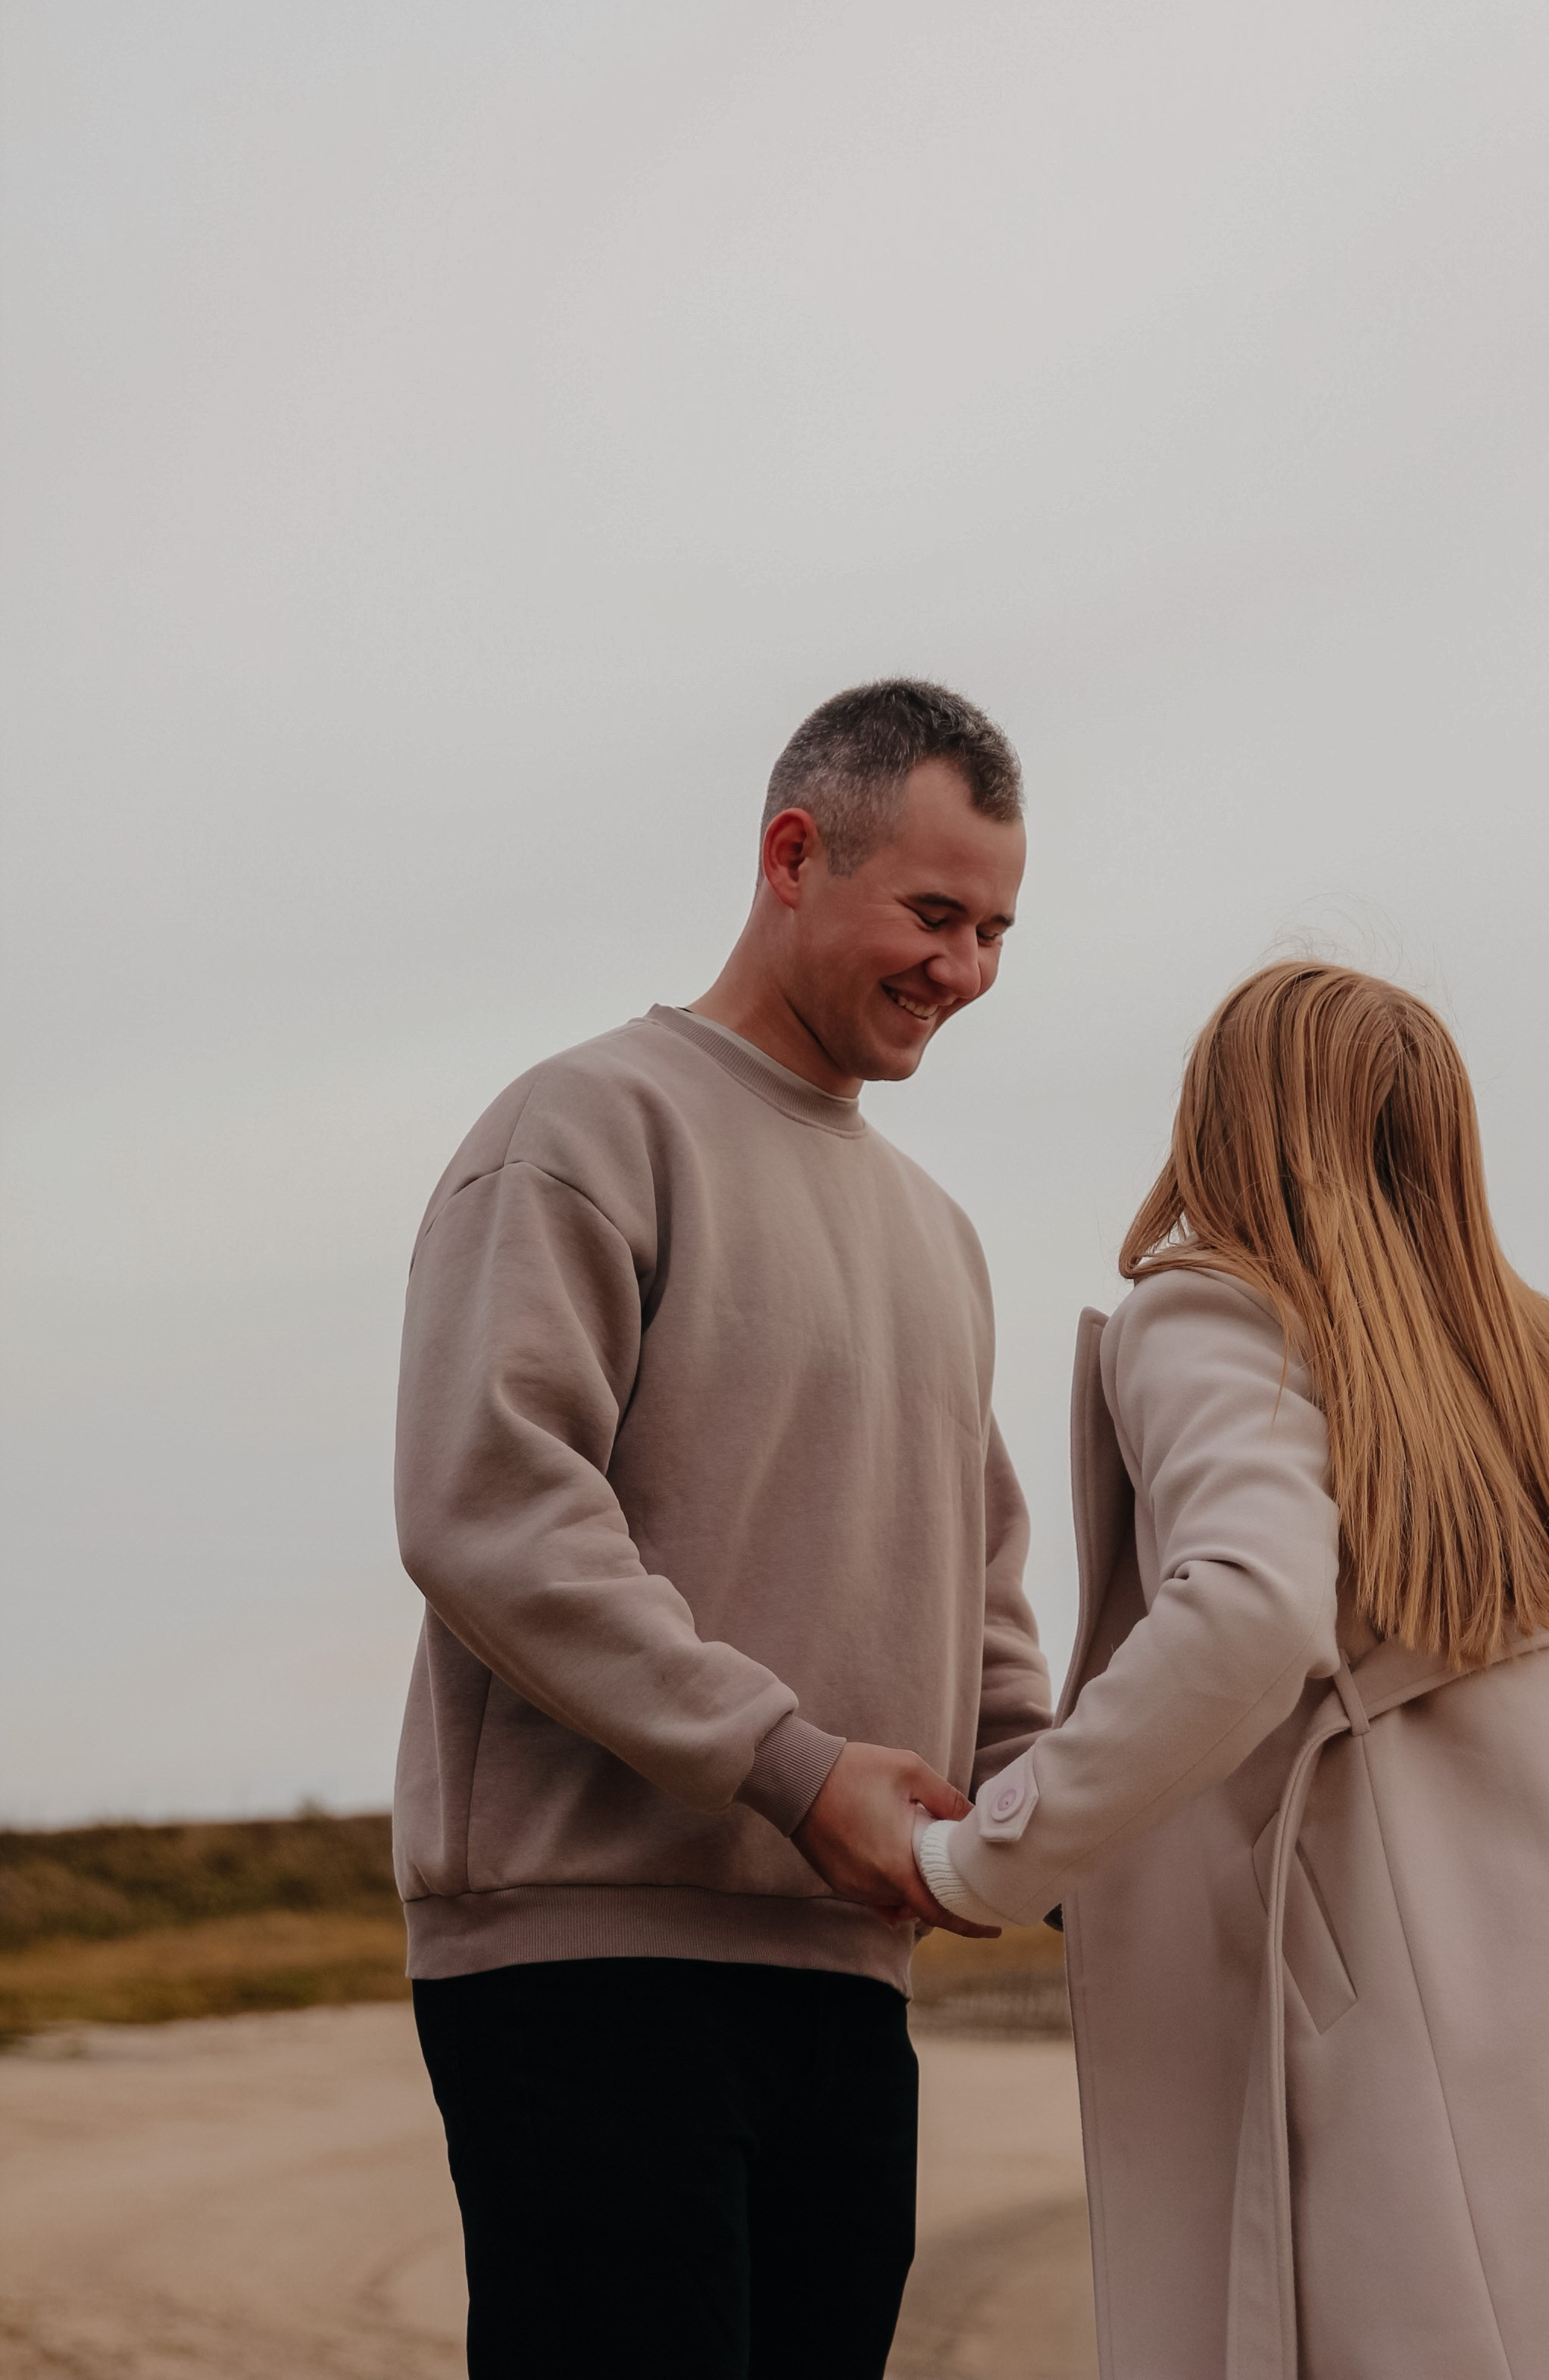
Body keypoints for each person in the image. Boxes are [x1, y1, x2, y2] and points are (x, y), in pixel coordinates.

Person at [914, 961, 1549, 2380]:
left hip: (1441, 1955)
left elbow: (1247, 1609)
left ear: (1227, 1119)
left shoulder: (1217, 1312)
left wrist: (988, 1855)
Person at [392, 676, 1051, 2379]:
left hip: (850, 1979)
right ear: (789, 855)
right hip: (590, 1965)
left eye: (993, 929)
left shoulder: (939, 1233)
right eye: (930, 913)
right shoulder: (584, 1128)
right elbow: (490, 1511)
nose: (962, 970)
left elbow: (980, 1588)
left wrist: (1052, 1805)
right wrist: (790, 1763)